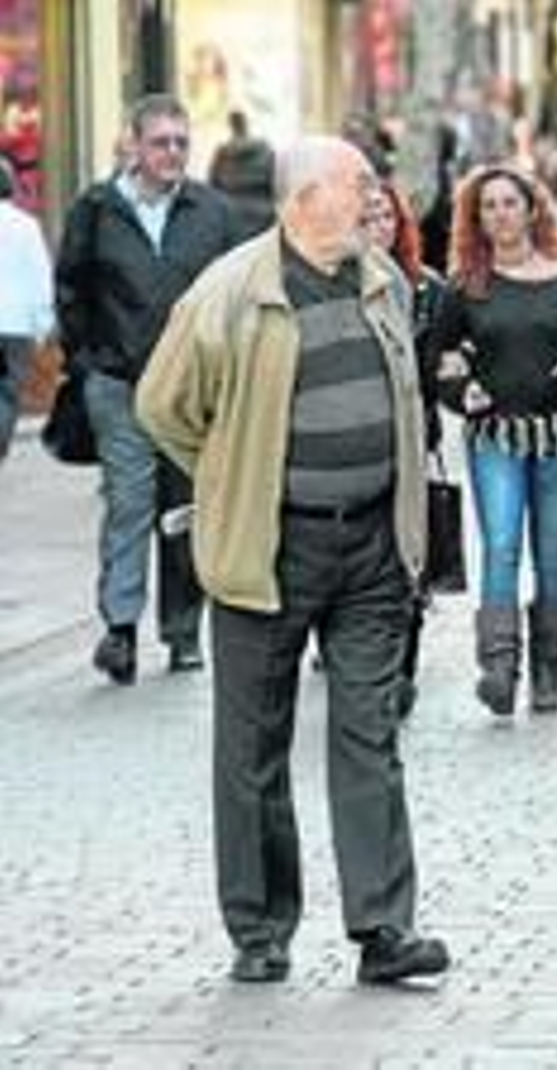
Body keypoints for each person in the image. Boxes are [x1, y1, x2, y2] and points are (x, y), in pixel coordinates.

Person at [135, 135, 449, 986]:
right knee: (252, 749)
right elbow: (163, 405)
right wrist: (231, 473)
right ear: (307, 196)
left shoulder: (381, 281)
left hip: (372, 548)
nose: (372, 199)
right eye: (358, 186)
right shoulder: (234, 292)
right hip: (269, 546)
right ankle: (260, 930)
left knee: (369, 737)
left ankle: (384, 930)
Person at [429, 162, 557, 716]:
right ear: (476, 219)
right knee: (500, 548)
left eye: (509, 203)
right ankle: (498, 667)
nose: (500, 214)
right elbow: (440, 358)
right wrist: (462, 390)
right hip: (494, 438)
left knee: (551, 556)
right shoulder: (466, 287)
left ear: (532, 210)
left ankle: (549, 671)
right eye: (488, 206)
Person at [55, 93, 237, 684]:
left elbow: (236, 294)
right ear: (133, 144)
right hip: (118, 385)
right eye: (161, 142)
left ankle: (183, 633)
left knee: (183, 509)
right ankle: (121, 630)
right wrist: (87, 362)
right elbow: (71, 290)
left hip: (192, 390)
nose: (173, 153)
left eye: (182, 142)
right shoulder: (96, 208)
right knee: (129, 504)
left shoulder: (213, 211)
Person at [365, 178, 447, 715]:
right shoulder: (332, 288)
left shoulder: (427, 290)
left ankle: (402, 670)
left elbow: (442, 368)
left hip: (413, 442)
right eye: (368, 216)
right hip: (358, 444)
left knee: (408, 554)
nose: (379, 227)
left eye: (388, 217)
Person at [0, 155, 53, 464]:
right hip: (15, 327)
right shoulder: (26, 226)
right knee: (6, 394)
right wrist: (42, 326)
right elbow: (40, 276)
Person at [207, 109, 276, 236]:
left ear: (231, 125)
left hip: (233, 215)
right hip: (263, 215)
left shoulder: (223, 153)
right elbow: (275, 180)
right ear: (246, 123)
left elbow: (212, 185)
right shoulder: (264, 148)